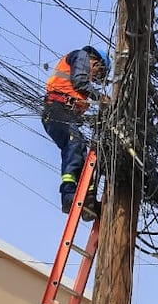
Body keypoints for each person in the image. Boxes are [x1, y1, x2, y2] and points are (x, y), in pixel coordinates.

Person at [42, 45, 109, 218]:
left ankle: (88, 198)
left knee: (81, 152)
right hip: (56, 109)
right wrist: (103, 99)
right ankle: (69, 194)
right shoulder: (82, 56)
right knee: (75, 143)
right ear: (96, 62)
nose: (95, 78)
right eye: (99, 72)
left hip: (62, 113)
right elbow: (79, 82)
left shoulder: (80, 91)